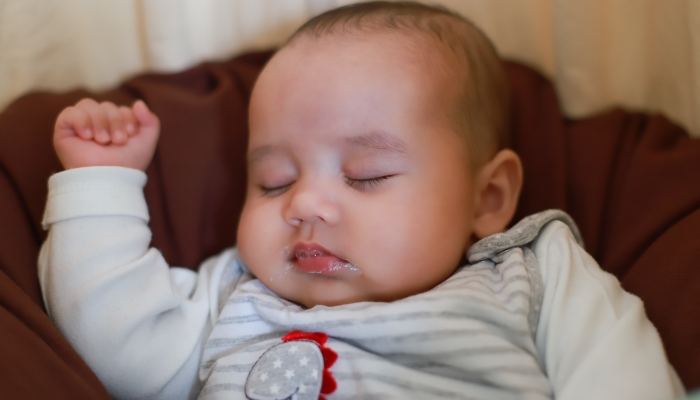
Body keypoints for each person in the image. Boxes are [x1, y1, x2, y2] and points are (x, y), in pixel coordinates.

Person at [39, 2, 684, 399]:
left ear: (487, 197)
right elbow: (122, 354)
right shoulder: (239, 289)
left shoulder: (530, 271)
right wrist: (103, 183)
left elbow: (620, 378)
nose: (306, 204)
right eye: (273, 181)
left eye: (367, 175)